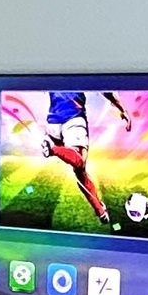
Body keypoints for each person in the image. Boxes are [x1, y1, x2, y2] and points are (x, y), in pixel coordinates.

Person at [40, 90, 114, 227]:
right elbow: (106, 89)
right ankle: (52, 149)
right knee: (79, 163)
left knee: (80, 170)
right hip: (73, 118)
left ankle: (100, 210)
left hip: (52, 123)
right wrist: (122, 109)